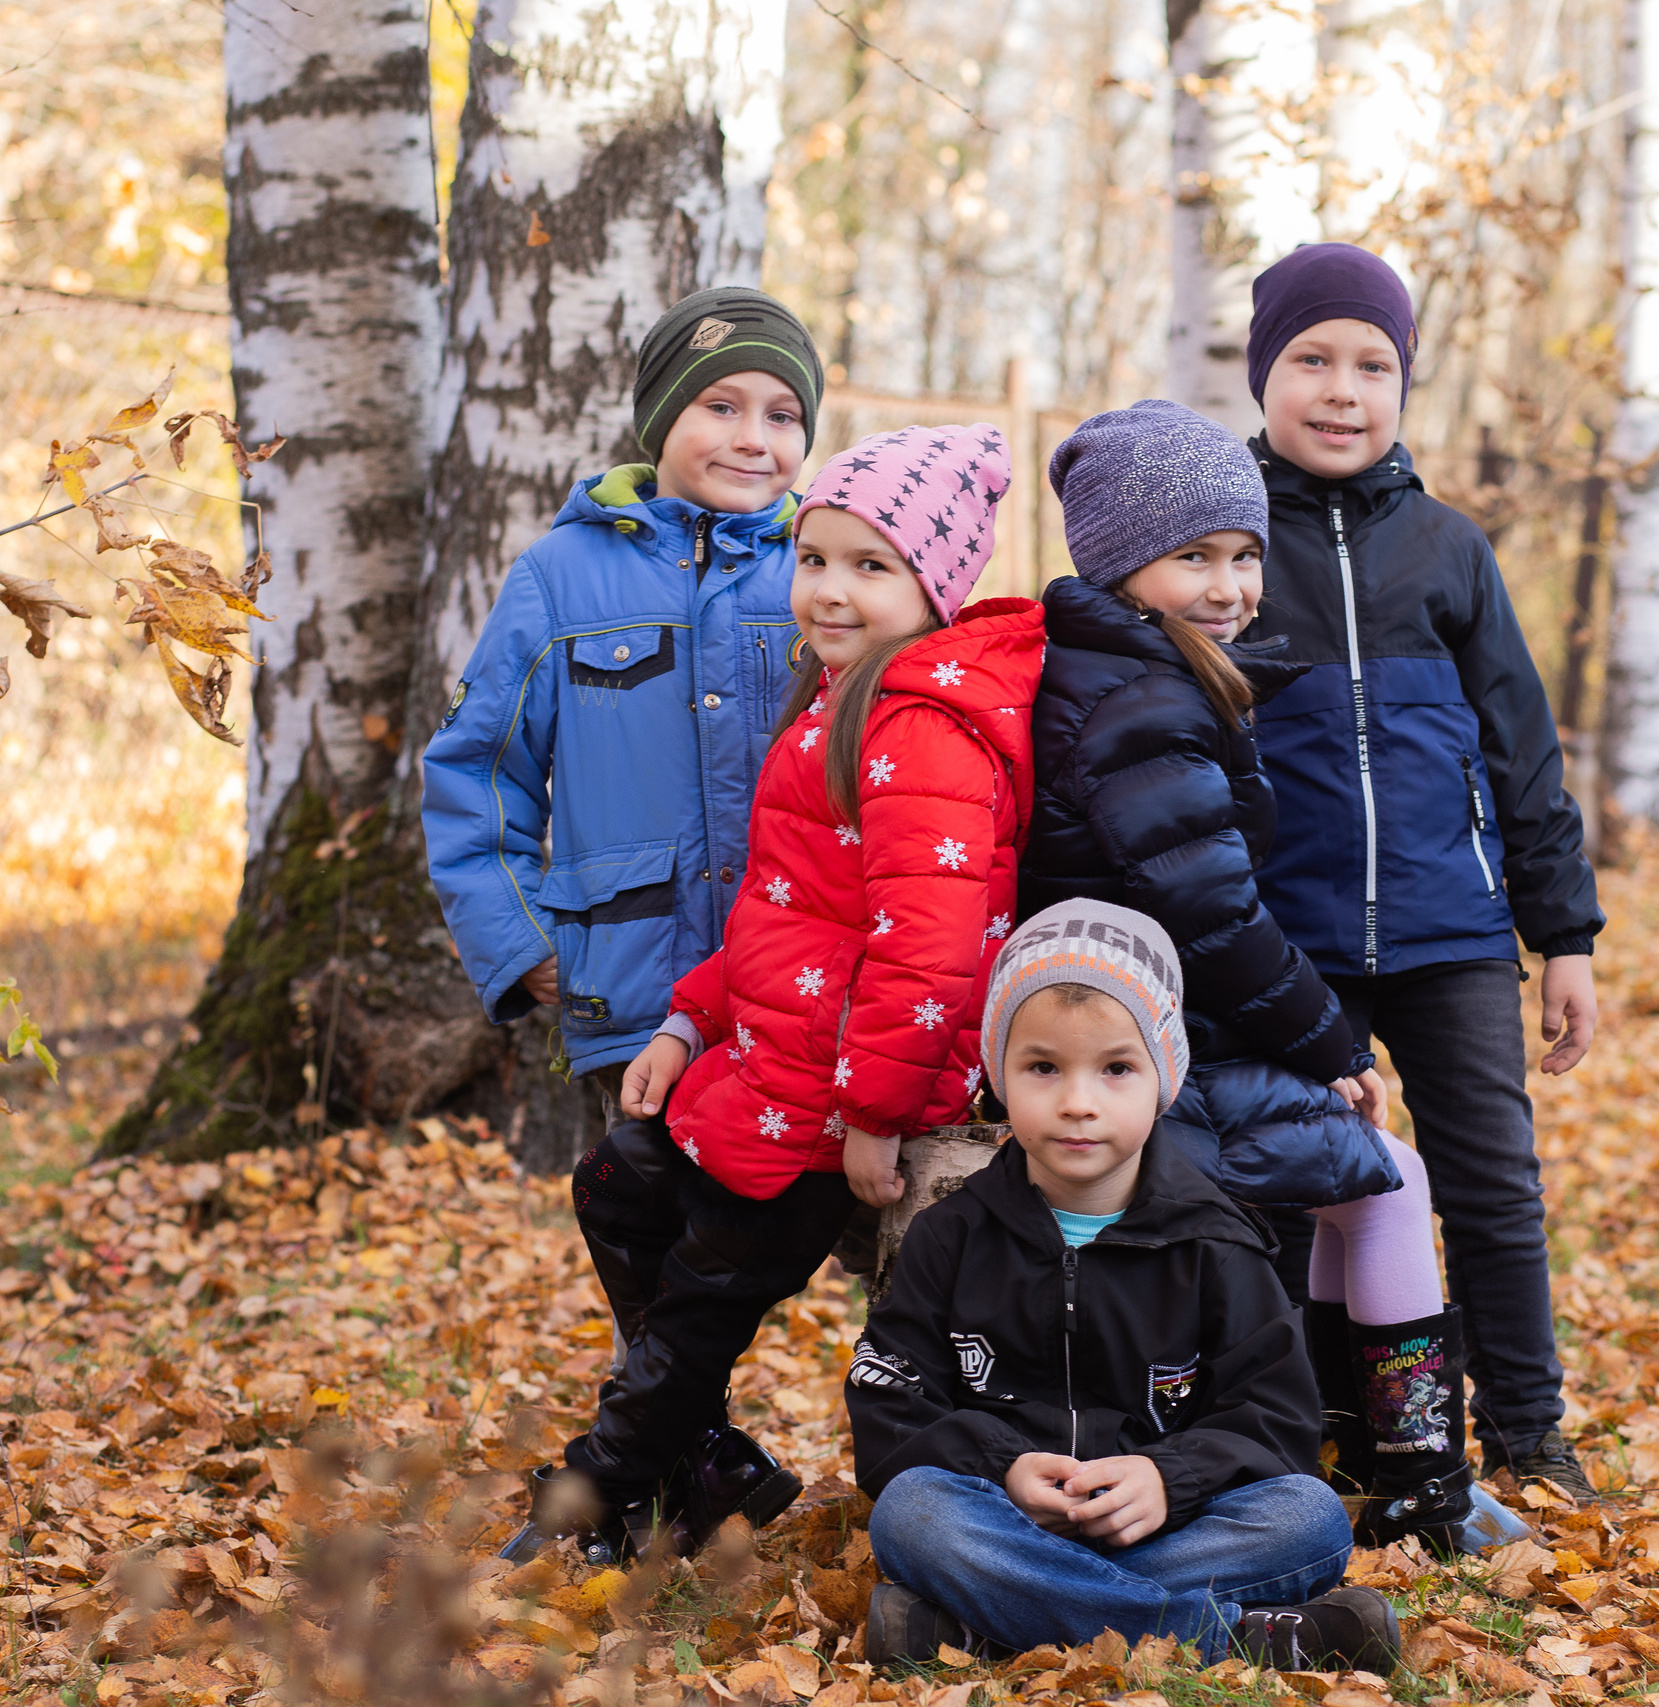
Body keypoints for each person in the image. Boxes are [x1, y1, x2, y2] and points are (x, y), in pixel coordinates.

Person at [1021, 398, 1524, 1555]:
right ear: (1115, 562)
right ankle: (1416, 1483)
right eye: (1192, 555)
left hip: (1160, 1040)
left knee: (1371, 1182)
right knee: (1386, 1184)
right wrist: (1333, 1047)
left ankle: (1364, 1448)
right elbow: (1212, 913)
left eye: (1244, 555)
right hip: (1141, 1060)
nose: (1229, 584)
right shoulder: (1143, 701)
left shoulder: (1139, 674)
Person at [543, 422, 1044, 1559]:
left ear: (936, 582)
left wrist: (872, 1112)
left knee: (705, 1295)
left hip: (844, 1092)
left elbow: (928, 950)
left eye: (871, 567)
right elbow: (787, 910)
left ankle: (599, 1488)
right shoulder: (835, 701)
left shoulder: (918, 729)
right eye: (814, 558)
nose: (828, 590)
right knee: (621, 1183)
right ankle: (700, 1460)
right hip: (781, 1059)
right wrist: (687, 1018)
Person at [425, 286, 821, 1555]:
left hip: (783, 984)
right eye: (721, 406)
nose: (754, 436)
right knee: (641, 1230)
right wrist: (518, 940)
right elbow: (480, 772)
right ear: (661, 420)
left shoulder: (823, 567)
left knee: (728, 1242)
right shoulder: (561, 577)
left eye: (782, 412)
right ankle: (682, 1469)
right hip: (626, 972)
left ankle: (645, 1470)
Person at [1239, 242, 1606, 1500]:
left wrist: (1565, 937)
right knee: (1289, 1191)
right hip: (1286, 948)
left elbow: (1521, 749)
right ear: (1262, 375)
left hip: (1452, 932)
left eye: (1372, 366)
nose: (1341, 390)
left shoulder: (1449, 550)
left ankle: (1526, 1426)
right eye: (1311, 360)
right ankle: (1293, 1429)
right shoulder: (1225, 547)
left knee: (1492, 1189)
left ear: (1404, 386)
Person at [848, 900, 1402, 1672]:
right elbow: (890, 1399)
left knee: (1309, 1517)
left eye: (1116, 1068)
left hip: (1168, 1522)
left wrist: (1168, 1478)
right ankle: (1232, 1637)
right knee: (912, 1514)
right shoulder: (953, 1234)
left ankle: (984, 1622)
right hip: (1006, 1515)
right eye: (1043, 1066)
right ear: (999, 1076)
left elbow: (1278, 1419)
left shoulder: (1216, 1240)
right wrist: (1003, 1461)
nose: (1079, 1101)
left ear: (1164, 1079)